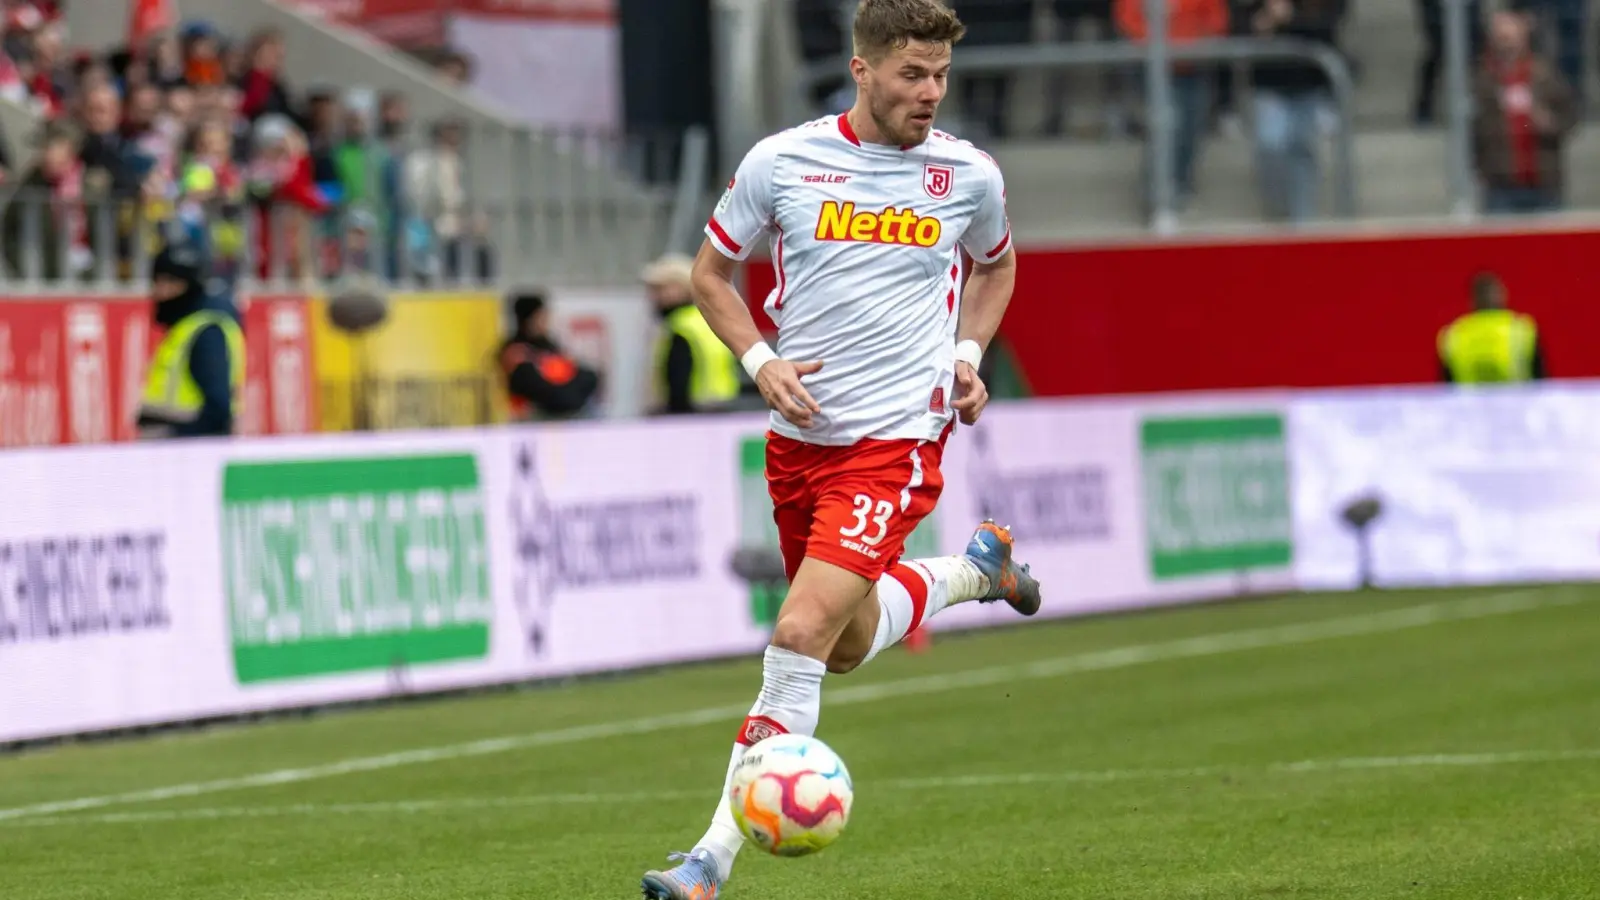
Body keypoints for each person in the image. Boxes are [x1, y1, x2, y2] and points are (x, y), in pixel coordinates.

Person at [639, 2, 1042, 898]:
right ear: (862, 71)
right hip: (799, 442)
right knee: (845, 645)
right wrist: (760, 359)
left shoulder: (966, 175)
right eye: (911, 75)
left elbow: (998, 263)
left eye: (940, 76)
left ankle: (709, 859)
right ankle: (978, 571)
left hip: (897, 439)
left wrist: (968, 357)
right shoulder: (782, 163)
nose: (929, 94)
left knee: (797, 632)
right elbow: (711, 273)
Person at [1472, 9, 1575, 216]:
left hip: (1543, 181)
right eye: (1502, 38)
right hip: (1500, 184)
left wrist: (1549, 123)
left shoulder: (1545, 75)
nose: (1507, 44)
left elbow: (1570, 116)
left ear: (1524, 38)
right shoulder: (1482, 81)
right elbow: (1471, 130)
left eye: (1511, 37)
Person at [137, 242, 244, 438]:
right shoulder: (184, 327)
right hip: (177, 453)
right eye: (157, 281)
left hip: (188, 454)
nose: (159, 291)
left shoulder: (206, 330)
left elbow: (218, 406)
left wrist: (172, 436)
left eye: (169, 282)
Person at [642, 253, 742, 415]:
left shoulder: (681, 327)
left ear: (680, 287)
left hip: (690, 419)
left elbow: (678, 382)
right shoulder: (707, 320)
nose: (654, 296)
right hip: (722, 412)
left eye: (660, 288)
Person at [498, 290, 600, 420]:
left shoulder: (549, 345)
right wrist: (569, 398)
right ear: (529, 319)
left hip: (565, 410)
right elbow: (536, 389)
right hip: (535, 418)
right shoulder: (516, 352)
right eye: (542, 316)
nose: (546, 321)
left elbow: (582, 375)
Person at [1437, 271, 1546, 384]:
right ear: (1502, 295)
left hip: (1469, 401)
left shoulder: (1453, 334)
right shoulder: (1522, 329)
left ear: (1472, 301)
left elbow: (1446, 390)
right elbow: (1542, 384)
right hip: (1516, 401)